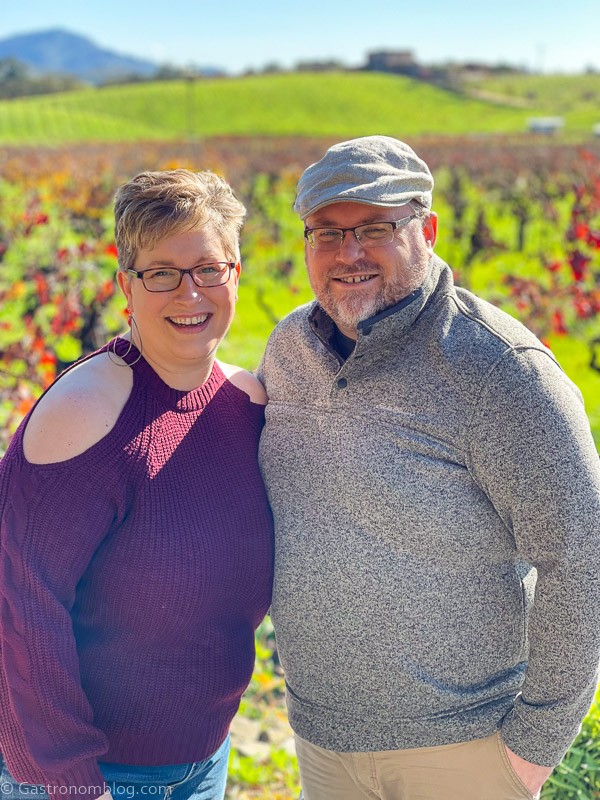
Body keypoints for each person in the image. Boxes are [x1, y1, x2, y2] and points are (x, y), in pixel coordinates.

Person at [257, 136, 600, 800]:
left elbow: (582, 554)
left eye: (376, 229)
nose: (348, 253)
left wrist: (532, 748)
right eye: (326, 233)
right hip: (322, 742)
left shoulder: (499, 371)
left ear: (429, 229)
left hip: (463, 752)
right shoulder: (287, 347)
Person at [0, 169, 273, 800]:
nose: (190, 292)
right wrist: (70, 779)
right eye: (161, 272)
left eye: (209, 268)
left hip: (203, 762)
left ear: (236, 274)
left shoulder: (247, 403)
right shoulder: (86, 412)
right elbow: (21, 606)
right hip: (89, 775)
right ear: (126, 284)